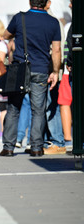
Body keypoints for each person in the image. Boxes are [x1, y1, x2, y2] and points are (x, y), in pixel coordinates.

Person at [0, 0, 61, 157]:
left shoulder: (19, 18)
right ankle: (36, 147)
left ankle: (8, 147)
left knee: (13, 108)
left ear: (30, 1)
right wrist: (55, 71)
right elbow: (56, 50)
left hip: (20, 69)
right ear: (47, 3)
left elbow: (5, 35)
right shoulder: (53, 22)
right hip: (40, 69)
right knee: (38, 110)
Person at [42, 1, 66, 155]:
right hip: (49, 69)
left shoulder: (53, 21)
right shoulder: (51, 21)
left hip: (51, 70)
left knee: (51, 105)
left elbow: (59, 49)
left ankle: (57, 141)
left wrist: (56, 71)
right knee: (44, 106)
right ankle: (50, 141)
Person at [58, 0, 73, 154]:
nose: (69, 5)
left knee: (65, 102)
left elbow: (67, 48)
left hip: (70, 71)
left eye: (71, 2)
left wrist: (68, 63)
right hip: (70, 70)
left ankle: (68, 137)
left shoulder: (71, 26)